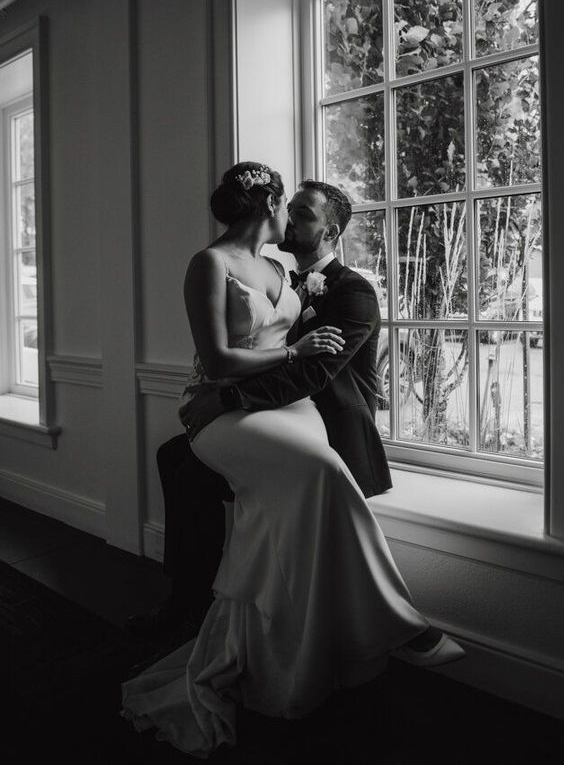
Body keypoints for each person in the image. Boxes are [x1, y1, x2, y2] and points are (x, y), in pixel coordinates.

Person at [121, 163, 464, 759]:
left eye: (304, 213)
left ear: (330, 231)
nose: (291, 218)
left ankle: (279, 659)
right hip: (247, 410)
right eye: (290, 207)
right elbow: (232, 356)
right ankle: (398, 622)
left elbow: (305, 371)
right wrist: (242, 379)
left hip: (295, 411)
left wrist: (237, 386)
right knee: (288, 473)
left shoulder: (340, 287)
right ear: (268, 207)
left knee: (289, 506)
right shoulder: (224, 264)